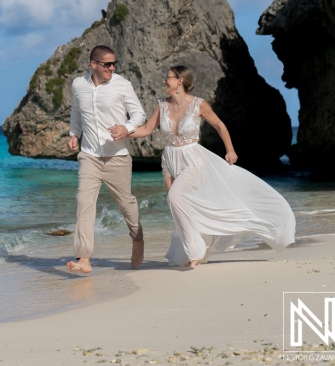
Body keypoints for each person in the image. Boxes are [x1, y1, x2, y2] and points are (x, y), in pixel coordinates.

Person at [118, 65, 296, 268]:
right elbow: (147, 129)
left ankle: (196, 251)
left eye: (167, 78)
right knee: (176, 205)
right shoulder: (162, 105)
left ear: (179, 81)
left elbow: (219, 125)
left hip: (192, 159)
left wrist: (230, 150)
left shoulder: (198, 105)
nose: (163, 81)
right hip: (169, 160)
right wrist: (125, 132)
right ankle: (190, 251)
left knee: (176, 196)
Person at [66, 45, 146, 273]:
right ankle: (84, 258)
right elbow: (75, 112)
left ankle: (138, 238)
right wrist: (74, 134)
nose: (112, 67)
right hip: (89, 156)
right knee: (83, 202)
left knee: (127, 205)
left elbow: (139, 114)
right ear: (94, 65)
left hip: (117, 157)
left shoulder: (122, 84)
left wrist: (126, 127)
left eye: (114, 64)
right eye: (107, 64)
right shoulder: (78, 85)